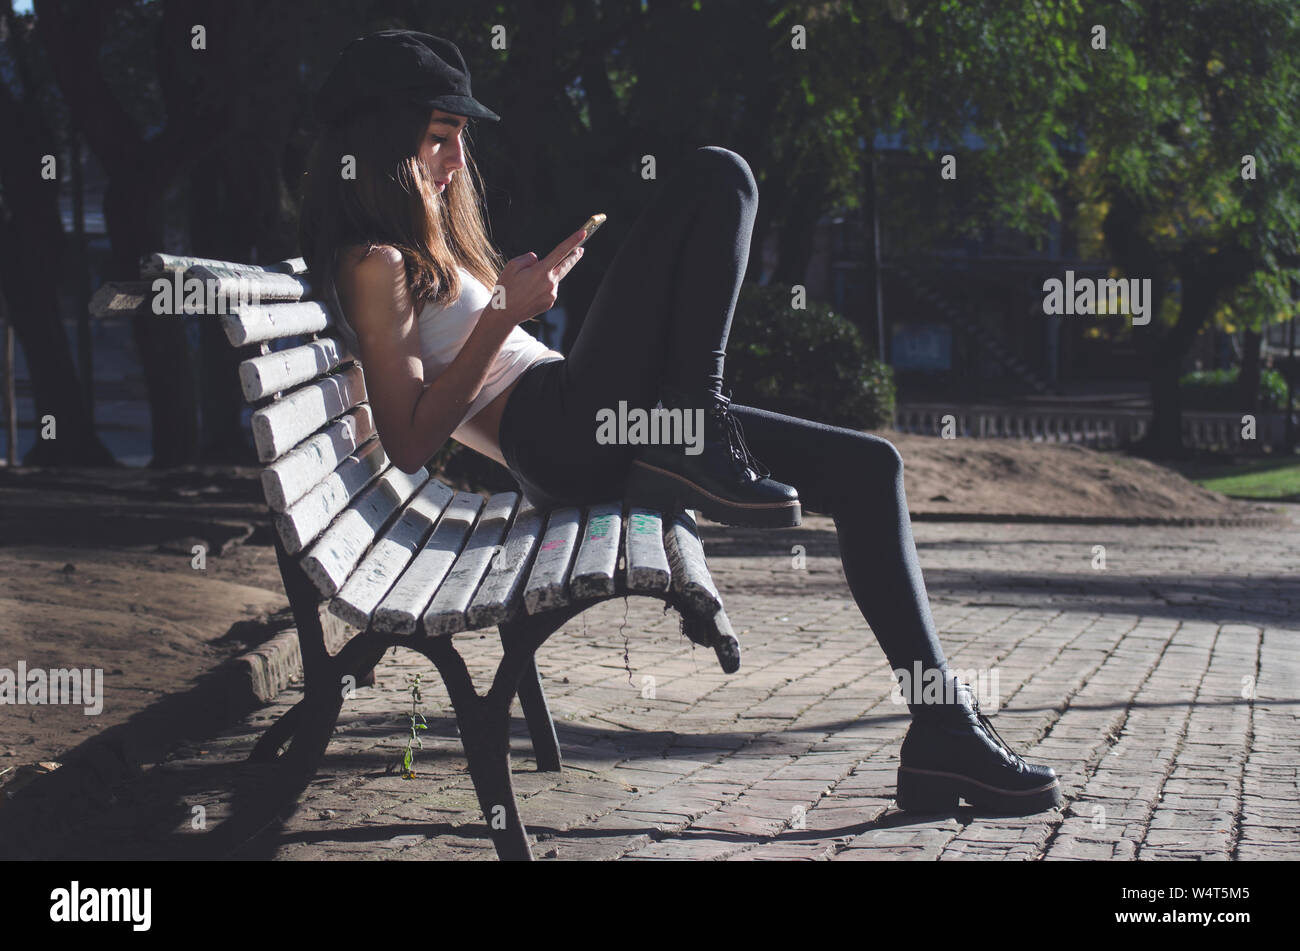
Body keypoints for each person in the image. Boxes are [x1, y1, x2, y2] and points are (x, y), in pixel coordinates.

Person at [300, 30, 1061, 816]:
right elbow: (413, 439)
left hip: (585, 415)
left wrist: (514, 305)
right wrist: (500, 312)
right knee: (717, 175)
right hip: (558, 430)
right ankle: (694, 427)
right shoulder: (375, 262)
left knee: (871, 468)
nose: (456, 164)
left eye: (460, 142)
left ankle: (942, 729)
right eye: (437, 140)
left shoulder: (426, 246)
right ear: (380, 139)